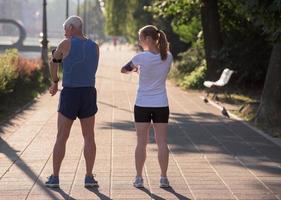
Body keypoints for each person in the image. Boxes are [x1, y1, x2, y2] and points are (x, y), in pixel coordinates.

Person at [46, 16, 99, 188]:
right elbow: (92, 69)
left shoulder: (65, 43)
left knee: (62, 136)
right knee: (89, 136)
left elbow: (54, 63)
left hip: (70, 93)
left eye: (65, 28)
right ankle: (89, 177)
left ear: (71, 27)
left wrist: (54, 81)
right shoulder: (95, 46)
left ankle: (55, 177)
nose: (64, 32)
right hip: (89, 92)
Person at [121, 25, 173, 188]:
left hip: (142, 104)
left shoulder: (140, 58)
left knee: (141, 142)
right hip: (161, 104)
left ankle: (138, 178)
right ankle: (163, 178)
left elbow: (124, 69)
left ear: (148, 39)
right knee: (162, 142)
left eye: (140, 38)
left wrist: (136, 70)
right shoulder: (168, 56)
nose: (139, 41)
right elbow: (160, 71)